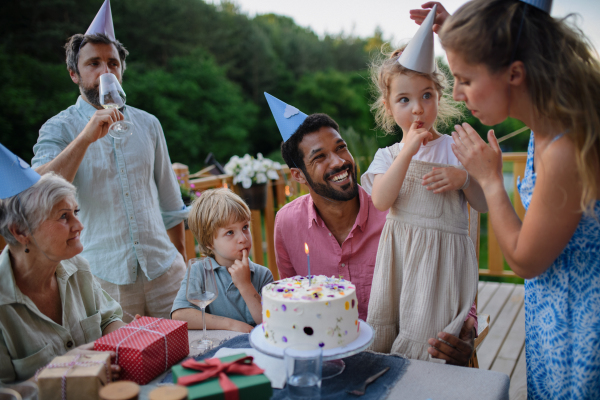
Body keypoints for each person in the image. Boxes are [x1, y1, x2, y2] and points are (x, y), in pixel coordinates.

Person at [419, 0, 600, 396]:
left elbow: (524, 260)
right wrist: (462, 34)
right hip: (552, 317)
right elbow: (495, 59)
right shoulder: (545, 127)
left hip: (581, 328)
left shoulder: (565, 148)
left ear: (515, 73)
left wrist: (489, 179)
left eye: (465, 79)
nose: (459, 94)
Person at [266, 93, 478, 366]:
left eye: (341, 148)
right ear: (298, 176)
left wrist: (467, 329)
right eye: (319, 157)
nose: (338, 162)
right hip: (327, 365)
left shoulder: (397, 209)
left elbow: (451, 274)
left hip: (401, 362)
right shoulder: (286, 224)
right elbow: (292, 302)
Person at [31, 1, 188, 321]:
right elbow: (38, 187)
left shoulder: (148, 124)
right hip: (102, 279)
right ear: (74, 73)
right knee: (126, 366)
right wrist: (86, 138)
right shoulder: (59, 128)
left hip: (165, 272)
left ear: (122, 71)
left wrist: (182, 261)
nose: (106, 71)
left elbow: (171, 202)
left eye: (113, 63)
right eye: (94, 64)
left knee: (187, 357)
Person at [360, 6, 487, 361]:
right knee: (395, 328)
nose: (417, 108)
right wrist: (407, 152)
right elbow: (382, 201)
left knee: (429, 339)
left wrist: (463, 179)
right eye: (405, 99)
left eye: (426, 96)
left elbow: (485, 202)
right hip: (401, 259)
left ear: (438, 97)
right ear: (388, 106)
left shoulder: (454, 148)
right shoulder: (388, 156)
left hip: (443, 262)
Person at [0, 145, 125, 382]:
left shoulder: (78, 267)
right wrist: (62, 370)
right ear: (20, 231)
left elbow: (109, 319)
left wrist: (126, 341)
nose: (79, 225)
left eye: (75, 212)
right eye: (63, 216)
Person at [171, 189, 274, 332]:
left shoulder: (263, 275)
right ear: (209, 242)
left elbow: (271, 322)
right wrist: (231, 325)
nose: (243, 239)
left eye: (245, 227)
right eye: (230, 232)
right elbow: (180, 315)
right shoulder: (200, 271)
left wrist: (245, 285)